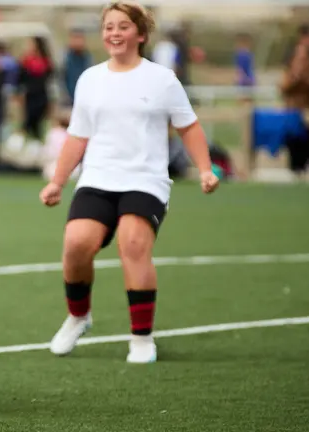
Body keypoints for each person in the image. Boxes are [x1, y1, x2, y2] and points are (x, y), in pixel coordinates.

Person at [39, 1, 219, 364]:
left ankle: (141, 338)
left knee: (133, 243)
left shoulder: (162, 79)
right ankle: (78, 317)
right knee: (76, 243)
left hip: (145, 180)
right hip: (98, 178)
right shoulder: (90, 79)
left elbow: (189, 125)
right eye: (109, 27)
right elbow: (77, 136)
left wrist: (205, 169)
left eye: (123, 26)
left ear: (140, 34)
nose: (114, 33)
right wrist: (57, 181)